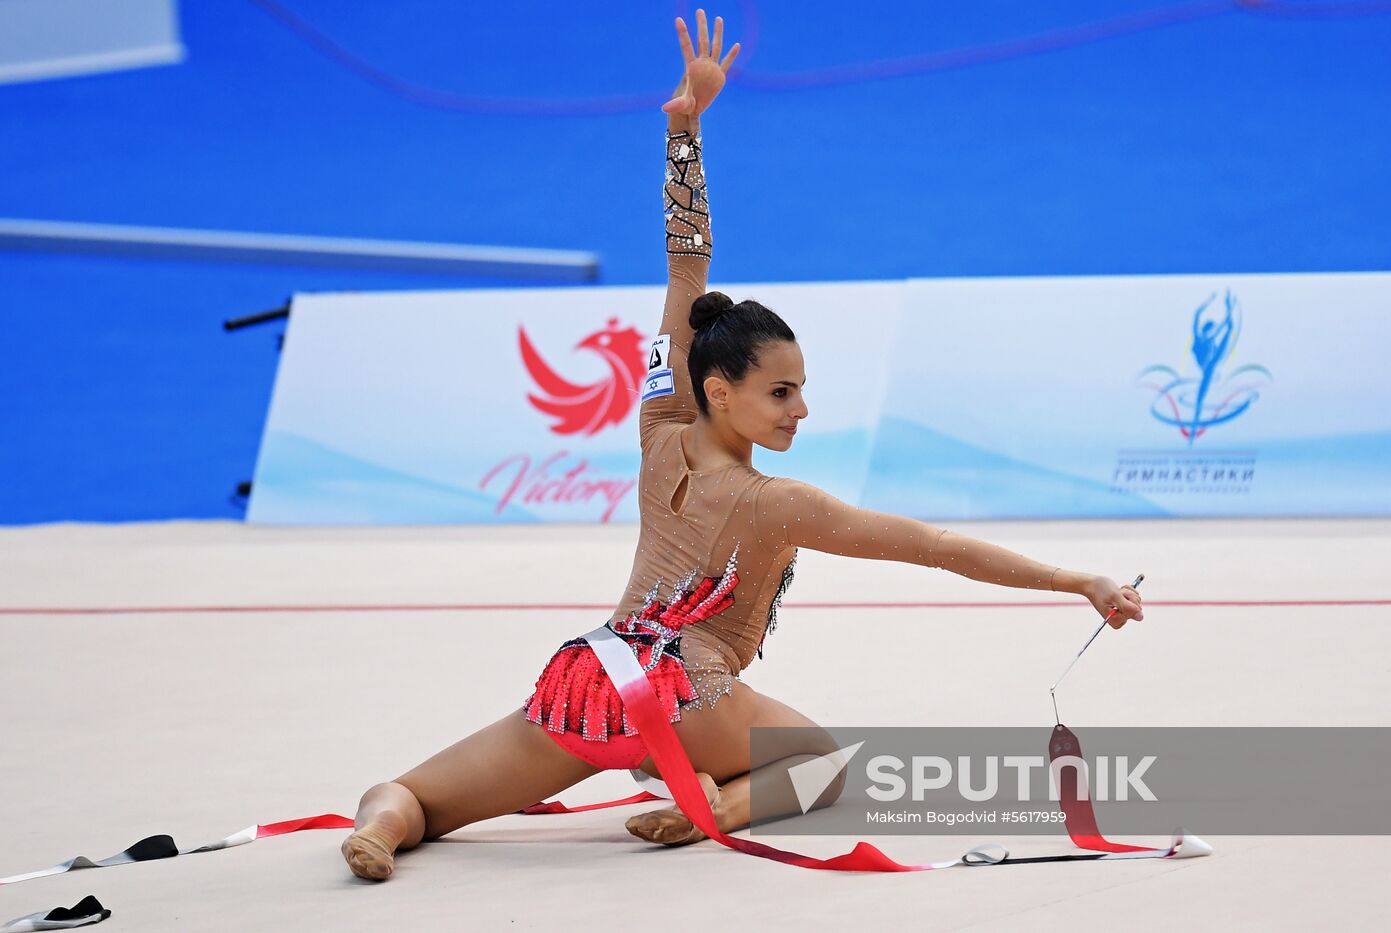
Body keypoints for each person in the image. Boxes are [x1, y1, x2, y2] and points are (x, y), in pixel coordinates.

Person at [340, 10, 1144, 881]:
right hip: (688, 697)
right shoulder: (778, 504)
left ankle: (379, 832)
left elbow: (687, 270)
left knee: (414, 792)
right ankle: (713, 801)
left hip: (588, 681)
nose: (801, 410)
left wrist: (684, 129)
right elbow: (935, 548)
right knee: (823, 759)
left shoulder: (656, 426)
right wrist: (1078, 579)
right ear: (720, 392)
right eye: (782, 392)